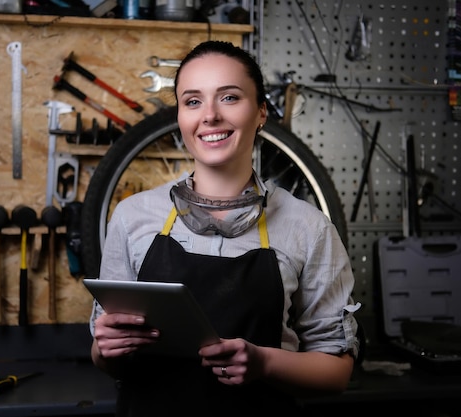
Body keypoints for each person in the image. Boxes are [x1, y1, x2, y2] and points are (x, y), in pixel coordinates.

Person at [89, 40, 360, 416]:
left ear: (262, 112)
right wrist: (105, 349)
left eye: (229, 98)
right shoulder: (133, 216)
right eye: (193, 101)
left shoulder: (307, 227)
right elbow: (106, 358)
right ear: (181, 116)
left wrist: (264, 363)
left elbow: (336, 374)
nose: (210, 116)